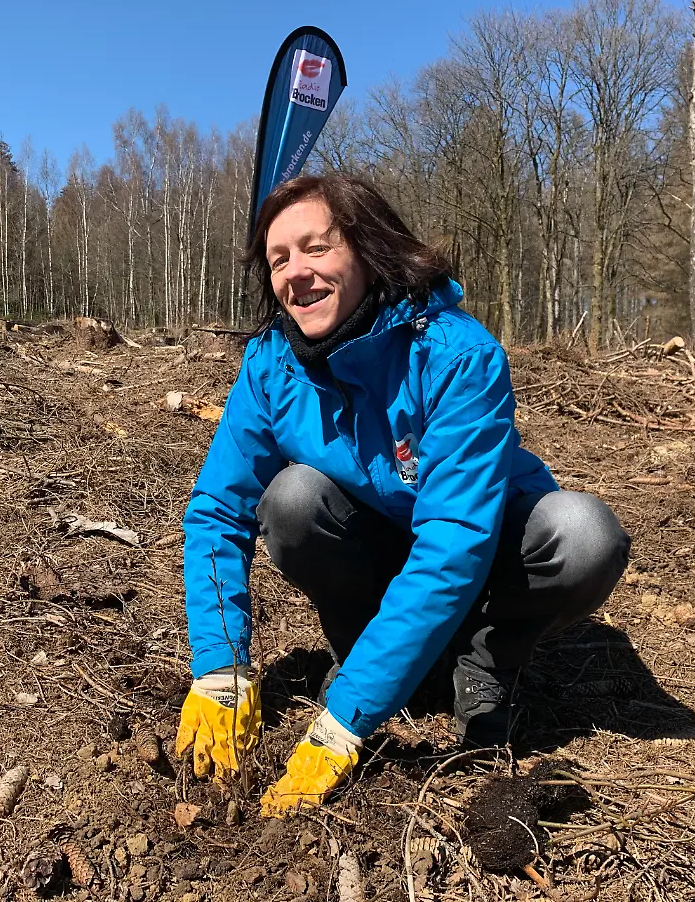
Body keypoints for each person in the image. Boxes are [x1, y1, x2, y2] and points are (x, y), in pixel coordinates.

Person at [174, 174, 630, 817]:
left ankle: (486, 662)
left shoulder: (455, 353)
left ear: (366, 248)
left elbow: (452, 546)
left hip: (484, 544)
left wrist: (344, 720)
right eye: (278, 260)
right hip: (380, 544)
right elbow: (219, 510)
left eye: (316, 248)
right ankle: (367, 648)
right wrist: (220, 666)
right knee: (292, 499)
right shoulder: (271, 363)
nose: (295, 273)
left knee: (583, 535)